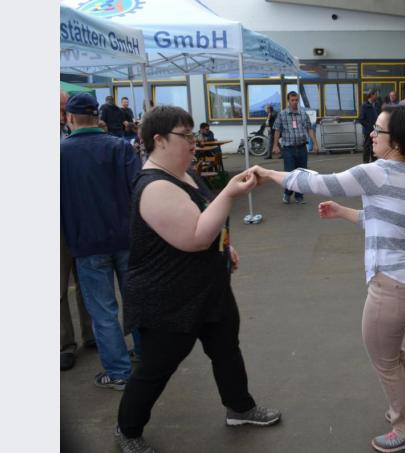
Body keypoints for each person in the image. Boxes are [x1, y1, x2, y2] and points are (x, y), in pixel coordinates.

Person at [253, 104, 405, 453]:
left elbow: (322, 183)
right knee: (391, 353)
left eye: (377, 130)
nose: (371, 134)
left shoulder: (379, 171)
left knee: (383, 357)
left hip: (392, 282)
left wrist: (272, 174)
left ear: (394, 140)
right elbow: (384, 221)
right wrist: (342, 213)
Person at [115, 106, 279, 453]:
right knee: (157, 367)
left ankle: (239, 407)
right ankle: (127, 430)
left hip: (207, 288)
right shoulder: (155, 186)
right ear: (158, 140)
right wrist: (230, 192)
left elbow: (207, 224)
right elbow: (195, 236)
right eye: (185, 136)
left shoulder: (183, 174)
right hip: (167, 299)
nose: (193, 142)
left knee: (225, 348)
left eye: (192, 135)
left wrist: (225, 248)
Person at [61, 93, 142, 390]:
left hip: (87, 243)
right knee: (135, 301)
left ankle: (119, 372)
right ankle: (144, 357)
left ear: (69, 118)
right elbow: (139, 190)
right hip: (126, 238)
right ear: (99, 117)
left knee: (103, 311)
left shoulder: (60, 153)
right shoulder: (120, 147)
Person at [60, 90, 95, 371]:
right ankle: (65, 345)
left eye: (64, 106)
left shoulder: (71, 135)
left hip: (81, 220)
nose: (63, 111)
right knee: (59, 289)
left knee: (86, 281)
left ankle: (90, 334)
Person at [272, 90, 320, 204]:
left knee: (302, 174)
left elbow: (310, 129)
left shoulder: (303, 114)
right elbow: (277, 130)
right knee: (290, 174)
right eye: (292, 100)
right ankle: (287, 193)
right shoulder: (282, 114)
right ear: (288, 101)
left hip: (302, 148)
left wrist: (316, 144)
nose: (294, 102)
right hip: (288, 149)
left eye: (296, 100)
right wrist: (275, 145)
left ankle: (299, 196)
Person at [359, 89, 380, 163]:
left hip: (376, 130)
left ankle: (374, 163)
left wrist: (377, 129)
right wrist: (369, 127)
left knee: (375, 147)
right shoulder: (364, 106)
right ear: (371, 95)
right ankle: (365, 163)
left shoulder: (376, 105)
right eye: (376, 95)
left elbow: (378, 117)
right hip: (368, 131)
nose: (377, 96)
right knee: (367, 147)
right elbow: (361, 119)